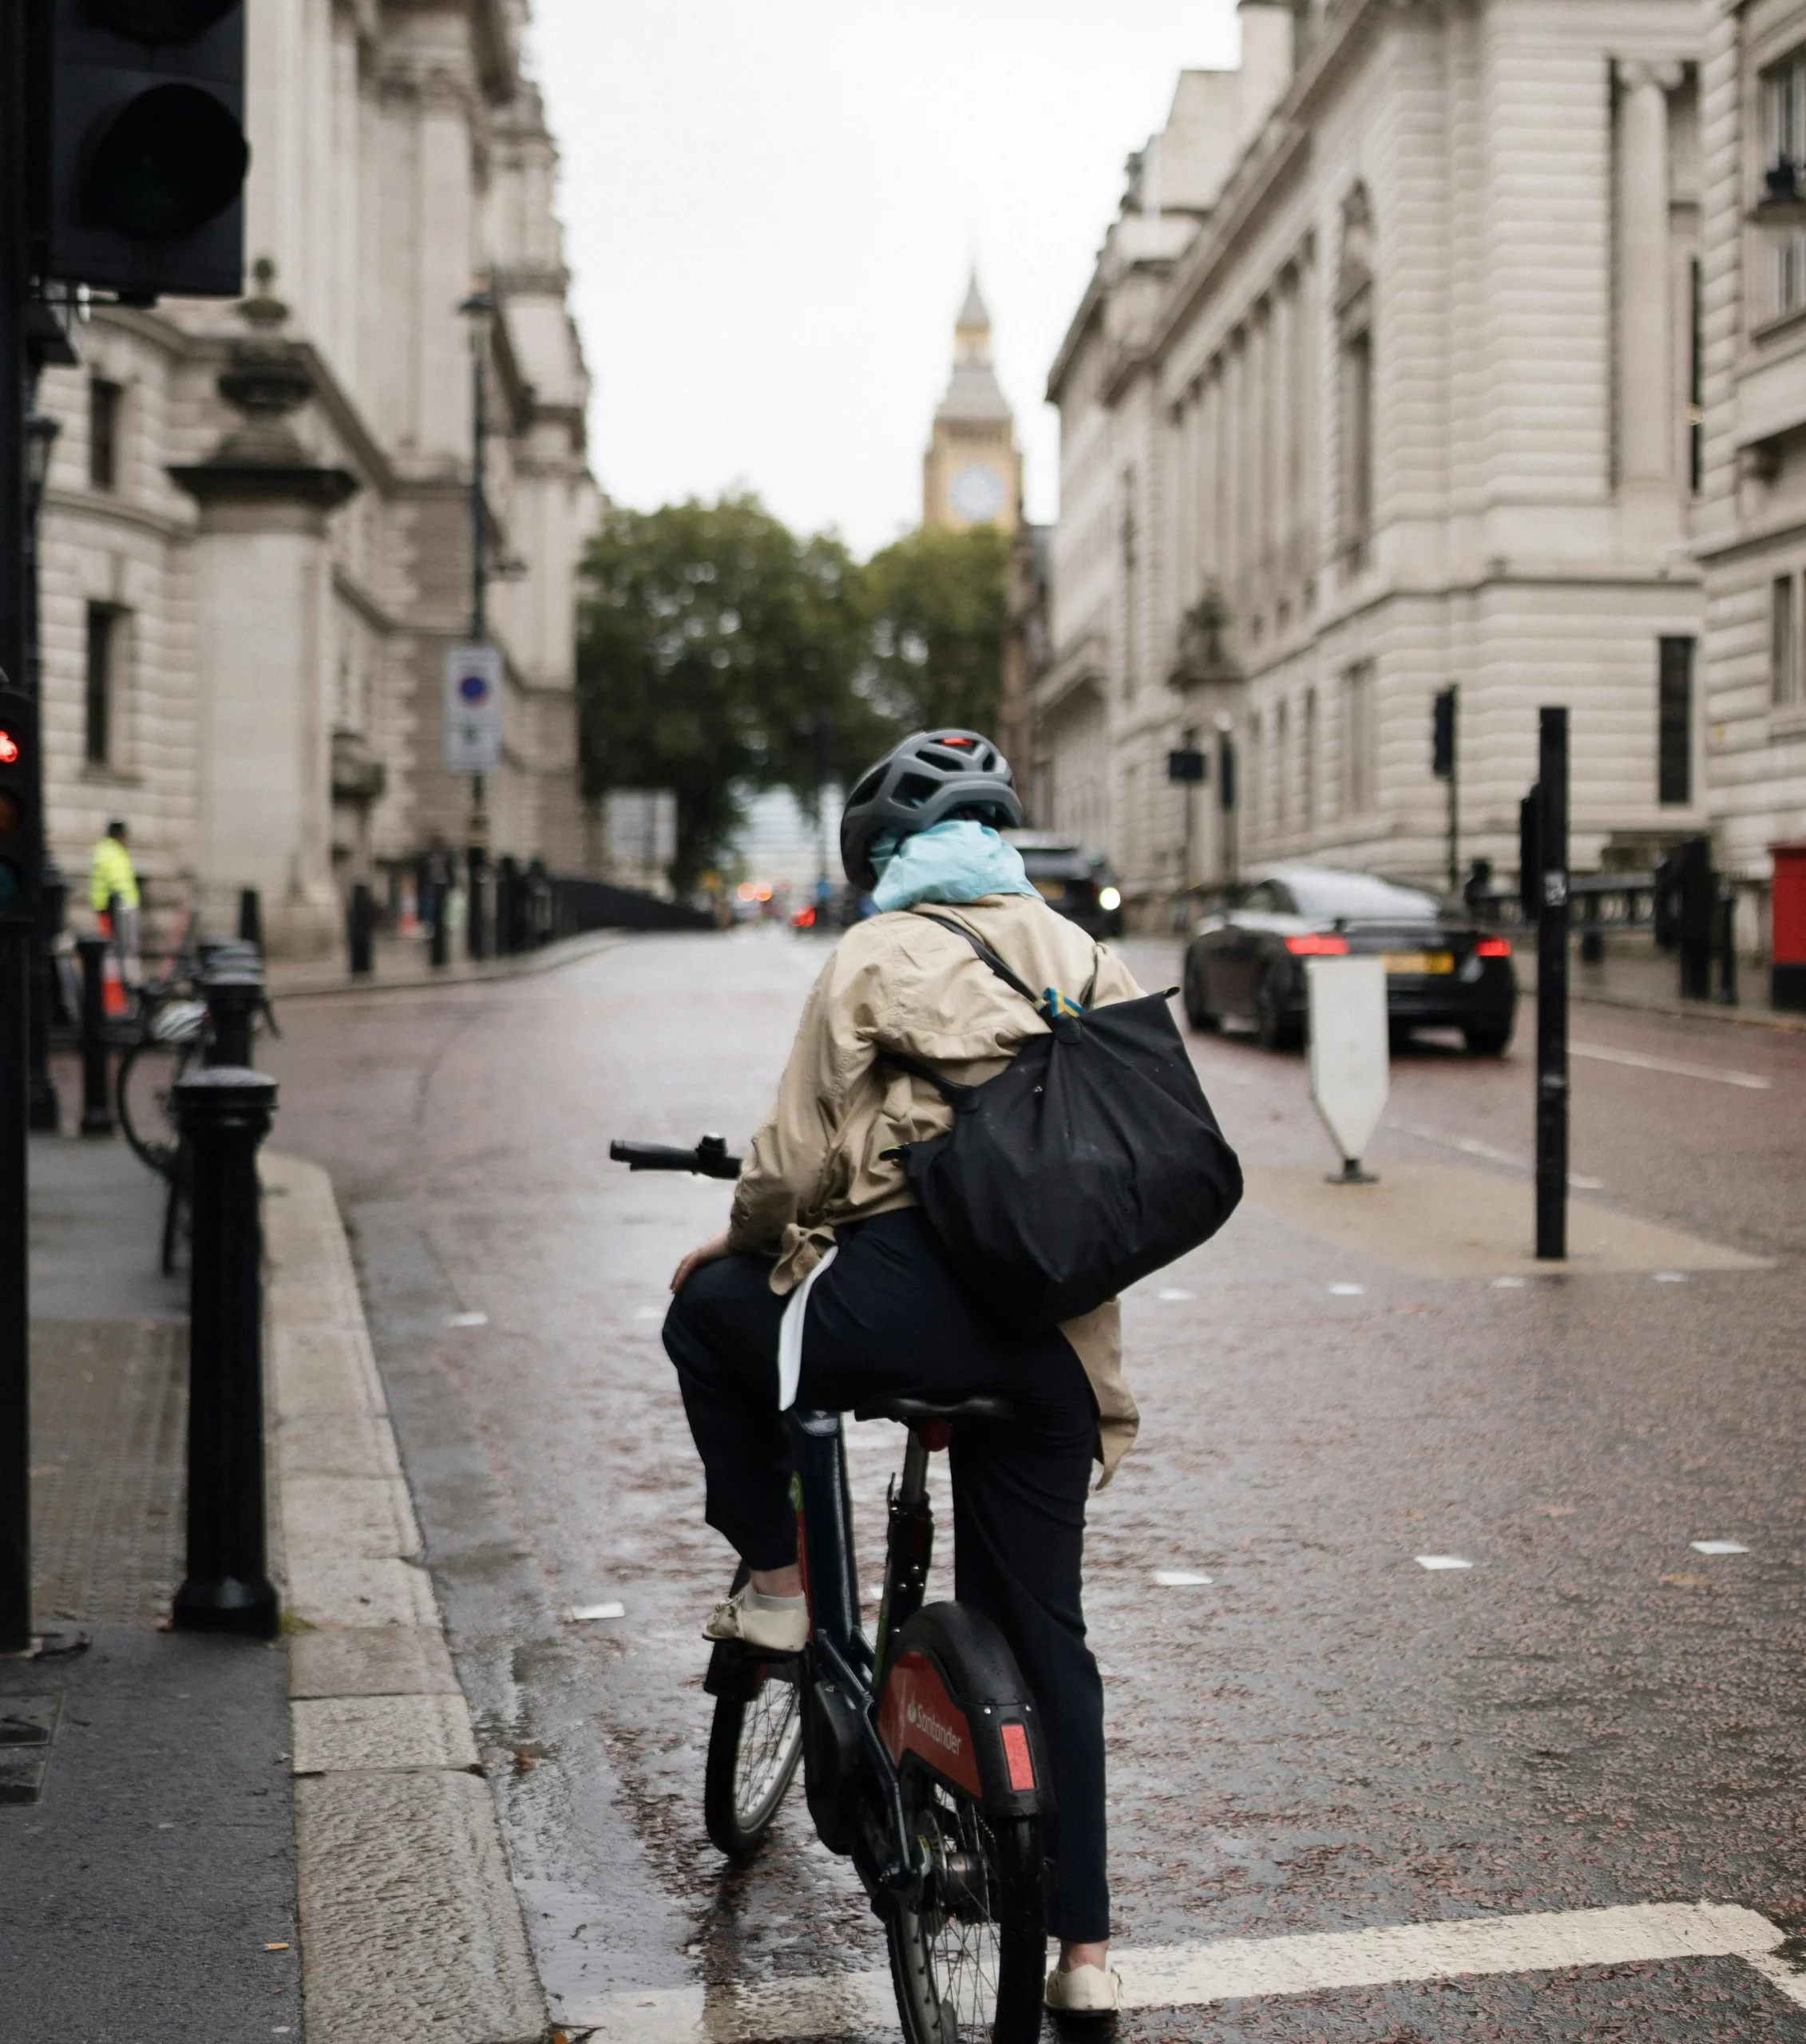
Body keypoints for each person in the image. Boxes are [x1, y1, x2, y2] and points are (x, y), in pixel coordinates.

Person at [663, 728, 1141, 2018]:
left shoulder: (873, 950)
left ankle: (778, 1593)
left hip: (897, 1309)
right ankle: (1085, 1960)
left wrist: (737, 1236)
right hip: (1052, 1340)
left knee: (713, 1319)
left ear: (881, 855)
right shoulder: (1092, 958)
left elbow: (792, 1165)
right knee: (1046, 1630)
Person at [89, 818, 141, 987]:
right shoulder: (113, 851)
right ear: (119, 835)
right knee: (124, 948)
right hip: (121, 906)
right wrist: (122, 902)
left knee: (112, 949)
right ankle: (127, 985)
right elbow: (118, 880)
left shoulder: (104, 849)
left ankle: (119, 985)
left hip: (109, 905)